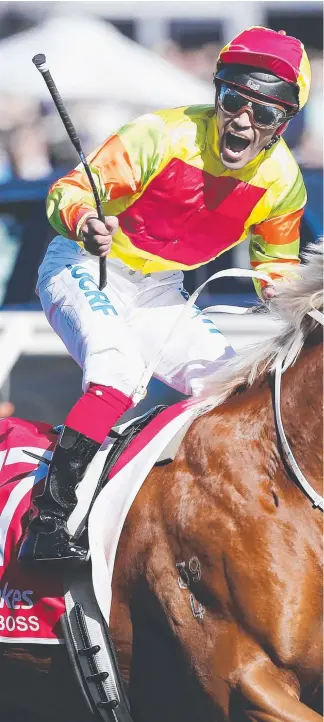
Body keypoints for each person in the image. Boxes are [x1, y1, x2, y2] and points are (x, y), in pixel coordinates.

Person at [18, 26, 311, 564]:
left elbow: (278, 267)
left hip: (160, 291)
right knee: (119, 371)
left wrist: (298, 302)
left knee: (229, 393)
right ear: (217, 95)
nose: (243, 121)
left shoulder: (283, 182)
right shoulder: (160, 134)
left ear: (282, 124)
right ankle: (48, 518)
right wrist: (84, 222)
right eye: (233, 101)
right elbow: (70, 190)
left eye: (264, 114)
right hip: (87, 264)